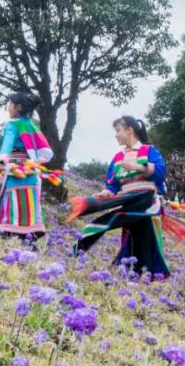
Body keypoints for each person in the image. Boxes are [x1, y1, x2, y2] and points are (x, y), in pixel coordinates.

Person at [67, 116, 172, 277]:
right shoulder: (118, 157)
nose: (116, 135)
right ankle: (134, 273)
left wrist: (140, 167)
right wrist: (107, 192)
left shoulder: (149, 150)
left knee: (143, 235)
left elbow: (160, 174)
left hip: (146, 200)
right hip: (128, 199)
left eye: (118, 131)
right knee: (132, 235)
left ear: (130, 130)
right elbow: (113, 183)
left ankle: (145, 274)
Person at [0, 92, 54, 239]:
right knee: (29, 208)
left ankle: (7, 235)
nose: (9, 109)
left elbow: (6, 146)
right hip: (31, 174)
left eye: (10, 105)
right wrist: (33, 162)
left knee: (12, 206)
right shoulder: (32, 126)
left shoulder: (13, 124)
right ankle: (28, 239)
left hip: (15, 172)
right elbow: (47, 153)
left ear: (18, 107)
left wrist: (1, 162)